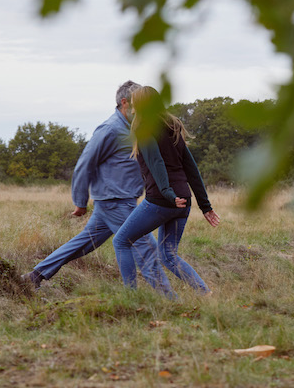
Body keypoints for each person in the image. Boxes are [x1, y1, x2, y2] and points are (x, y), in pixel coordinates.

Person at [22, 81, 174, 297]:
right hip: (116, 202)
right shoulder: (110, 129)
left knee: (84, 244)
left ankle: (34, 277)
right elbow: (85, 164)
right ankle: (169, 301)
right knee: (146, 248)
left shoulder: (135, 129)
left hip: (121, 201)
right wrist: (80, 202)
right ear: (125, 103)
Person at [112, 86, 220, 297]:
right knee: (168, 255)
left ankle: (130, 297)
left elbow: (157, 162)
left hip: (163, 201)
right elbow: (192, 170)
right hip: (183, 201)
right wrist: (205, 206)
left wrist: (169, 194)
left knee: (122, 240)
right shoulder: (173, 128)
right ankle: (205, 294)